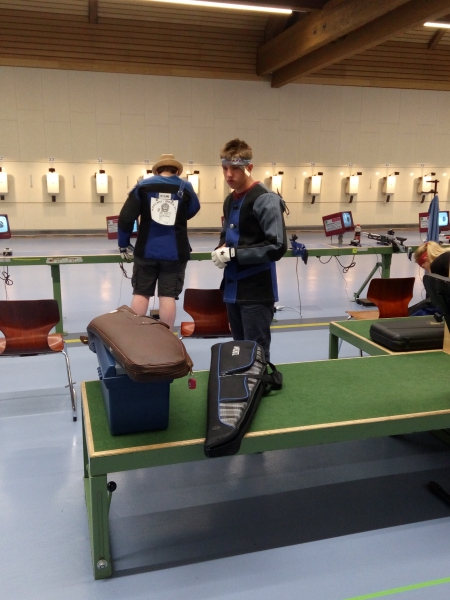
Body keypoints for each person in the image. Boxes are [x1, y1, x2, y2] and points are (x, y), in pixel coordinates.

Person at [211, 138, 287, 362]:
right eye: (225, 168)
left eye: (235, 168)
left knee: (256, 352)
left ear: (249, 167)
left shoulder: (266, 199)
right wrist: (221, 249)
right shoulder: (229, 200)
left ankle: (257, 383)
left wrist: (234, 254)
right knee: (239, 350)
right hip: (232, 289)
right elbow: (226, 234)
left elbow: (277, 246)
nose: (229, 174)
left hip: (256, 291)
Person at [118, 153, 200, 330]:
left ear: (156, 171)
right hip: (175, 252)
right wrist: (179, 217)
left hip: (146, 250)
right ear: (177, 171)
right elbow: (194, 208)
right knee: (168, 296)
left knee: (141, 293)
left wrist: (123, 244)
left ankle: (136, 335)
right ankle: (167, 338)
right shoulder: (185, 187)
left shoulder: (142, 186)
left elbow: (126, 218)